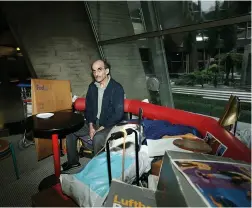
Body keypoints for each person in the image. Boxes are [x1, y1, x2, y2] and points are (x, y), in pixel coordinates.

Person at [62, 59, 125, 171]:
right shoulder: (92, 87)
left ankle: (98, 169)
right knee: (70, 130)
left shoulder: (117, 88)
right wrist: (91, 126)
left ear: (107, 71)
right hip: (94, 122)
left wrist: (101, 127)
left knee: (98, 137)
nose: (96, 74)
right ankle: (73, 162)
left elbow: (118, 114)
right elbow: (89, 109)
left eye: (99, 70)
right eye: (94, 71)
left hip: (110, 125)